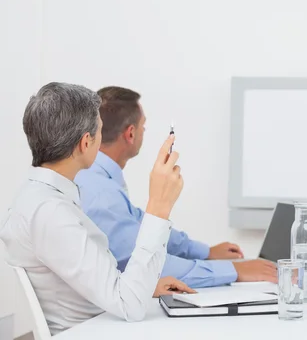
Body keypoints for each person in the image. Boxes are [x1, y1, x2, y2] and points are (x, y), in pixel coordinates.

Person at [0, 83, 194, 335]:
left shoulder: (39, 197)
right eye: (100, 132)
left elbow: (100, 285)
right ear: (85, 142)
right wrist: (159, 206)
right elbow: (130, 305)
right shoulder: (49, 212)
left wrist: (146, 285)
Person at [74, 86, 277, 288]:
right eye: (143, 127)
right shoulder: (100, 192)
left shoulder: (100, 180)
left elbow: (138, 224)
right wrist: (233, 271)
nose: (144, 132)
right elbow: (144, 266)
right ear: (131, 133)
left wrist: (205, 252)